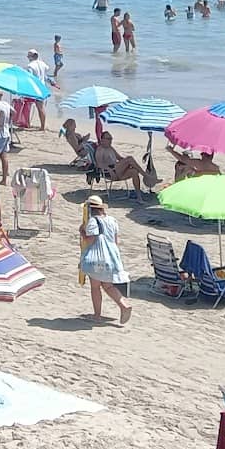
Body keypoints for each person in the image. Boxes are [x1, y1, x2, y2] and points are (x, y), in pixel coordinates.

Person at [79, 195, 132, 324]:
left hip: (97, 258)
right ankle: (123, 305)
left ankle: (97, 315)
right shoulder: (112, 220)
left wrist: (82, 233)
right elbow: (115, 241)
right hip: (111, 257)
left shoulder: (93, 221)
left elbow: (91, 240)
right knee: (107, 285)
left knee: (95, 287)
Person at [93, 131, 151, 195]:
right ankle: (146, 176)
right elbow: (98, 164)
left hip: (118, 170)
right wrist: (109, 169)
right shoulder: (100, 149)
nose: (110, 141)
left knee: (134, 171)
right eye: (108, 139)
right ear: (102, 140)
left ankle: (139, 197)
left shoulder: (110, 148)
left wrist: (129, 164)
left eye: (111, 139)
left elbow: (120, 158)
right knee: (130, 158)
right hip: (110, 172)